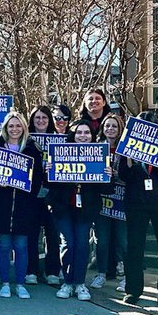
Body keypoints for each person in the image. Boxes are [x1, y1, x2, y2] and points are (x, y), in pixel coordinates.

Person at [117, 112, 158, 308]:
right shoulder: (130, 146)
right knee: (134, 248)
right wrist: (127, 159)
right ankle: (133, 290)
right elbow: (124, 175)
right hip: (137, 204)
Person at [47, 120, 112, 302]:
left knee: (82, 244)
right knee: (68, 243)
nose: (83, 136)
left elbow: (108, 190)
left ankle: (80, 283)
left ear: (92, 136)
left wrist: (108, 175)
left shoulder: (99, 156)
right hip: (63, 208)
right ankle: (67, 282)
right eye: (79, 133)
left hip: (86, 210)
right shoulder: (60, 154)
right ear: (72, 135)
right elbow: (48, 184)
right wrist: (49, 171)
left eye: (87, 133)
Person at [0, 112, 45, 299]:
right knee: (3, 245)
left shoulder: (32, 148)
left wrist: (26, 191)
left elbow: (37, 179)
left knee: (21, 245)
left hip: (24, 206)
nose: (14, 129)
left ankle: (20, 284)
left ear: (24, 128)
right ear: (5, 128)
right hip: (0, 205)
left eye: (18, 126)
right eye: (11, 126)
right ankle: (4, 283)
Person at [25, 106, 63, 287]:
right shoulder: (26, 141)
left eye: (44, 118)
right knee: (31, 234)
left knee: (52, 234)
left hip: (53, 194)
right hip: (31, 195)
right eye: (37, 118)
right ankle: (31, 270)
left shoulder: (61, 141)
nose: (40, 121)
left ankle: (53, 271)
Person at [92, 114, 127, 291]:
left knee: (123, 240)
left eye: (114, 126)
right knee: (102, 239)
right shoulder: (97, 148)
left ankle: (127, 276)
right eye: (107, 126)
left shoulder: (126, 149)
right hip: (103, 202)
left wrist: (117, 175)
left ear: (120, 129)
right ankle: (101, 274)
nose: (110, 129)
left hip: (121, 201)